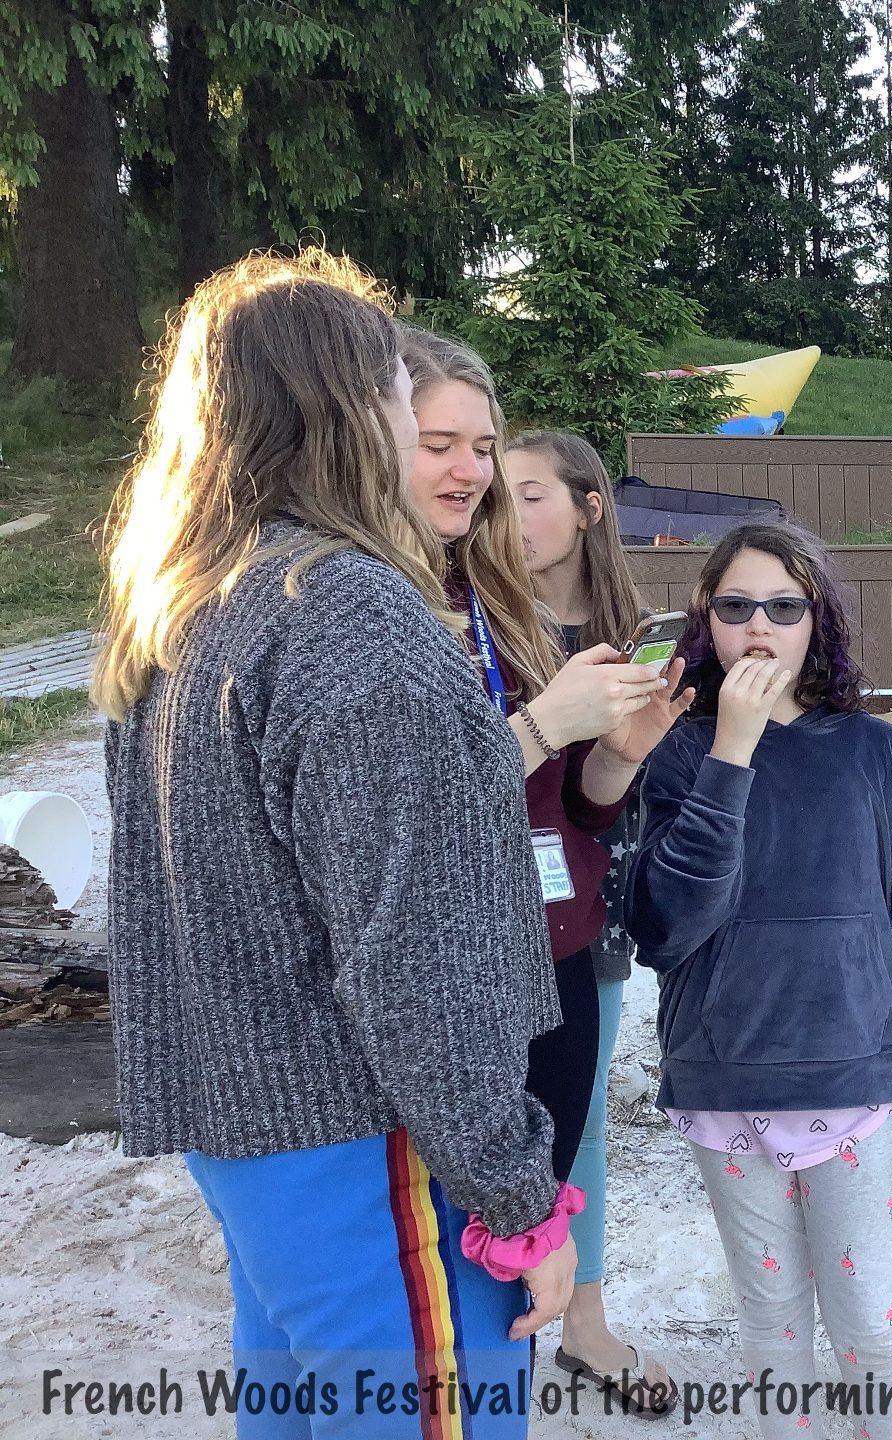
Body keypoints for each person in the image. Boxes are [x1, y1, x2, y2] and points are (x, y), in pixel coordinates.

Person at [96, 251, 574, 1438]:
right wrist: (521, 1199)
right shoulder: (348, 615)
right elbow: (419, 962)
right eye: (405, 401)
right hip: (370, 1148)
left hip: (259, 1149)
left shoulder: (196, 604)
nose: (420, 428)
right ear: (355, 410)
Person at [628, 521, 892, 1440]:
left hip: (849, 1082)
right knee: (772, 1323)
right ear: (706, 621)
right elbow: (665, 927)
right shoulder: (674, 752)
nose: (760, 626)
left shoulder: (876, 753)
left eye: (784, 607)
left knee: (870, 1324)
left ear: (816, 620)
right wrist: (731, 752)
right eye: (736, 605)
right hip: (725, 1080)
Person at [399, 329, 680, 1207]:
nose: (469, 471)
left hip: (556, 942)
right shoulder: (373, 606)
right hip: (449, 967)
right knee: (454, 1235)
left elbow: (577, 812)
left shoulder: (499, 602)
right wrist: (543, 723)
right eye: (439, 444)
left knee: (541, 1213)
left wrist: (617, 756)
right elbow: (402, 812)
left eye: (482, 447)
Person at [507, 428, 684, 1412]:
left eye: (531, 493)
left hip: (595, 902)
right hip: (495, 910)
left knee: (578, 1120)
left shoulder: (631, 626)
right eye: (500, 494)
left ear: (589, 507)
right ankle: (500, 1314)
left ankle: (584, 1322)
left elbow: (616, 788)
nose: (510, 514)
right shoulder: (483, 617)